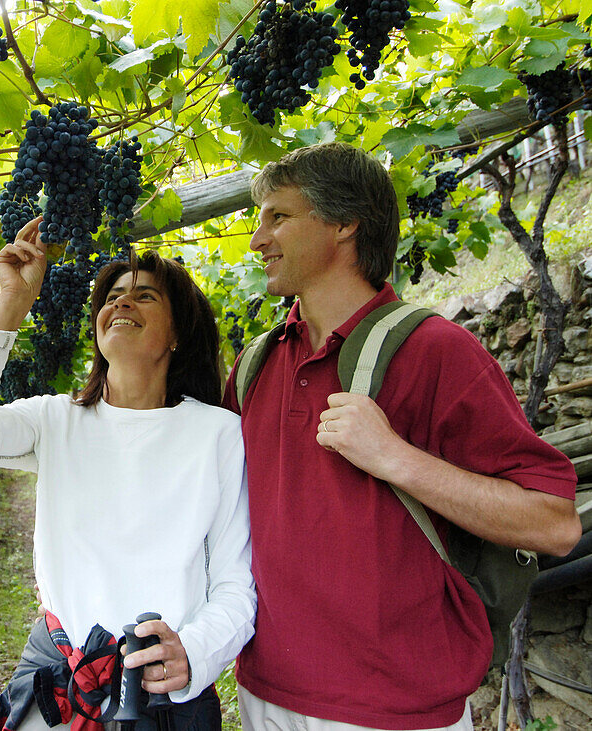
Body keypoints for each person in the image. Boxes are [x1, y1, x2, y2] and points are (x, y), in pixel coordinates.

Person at [222, 142, 582, 731]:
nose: (257, 240)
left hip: (397, 710)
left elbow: (554, 525)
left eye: (277, 217)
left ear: (343, 223)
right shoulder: (258, 362)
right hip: (264, 694)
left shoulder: (436, 351)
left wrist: (395, 458)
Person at [0, 217, 255, 730]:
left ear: (178, 335)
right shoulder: (56, 419)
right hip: (57, 682)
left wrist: (191, 654)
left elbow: (236, 585)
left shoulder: (217, 434)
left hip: (161, 695)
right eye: (113, 296)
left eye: (145, 296)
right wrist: (12, 302)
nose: (121, 303)